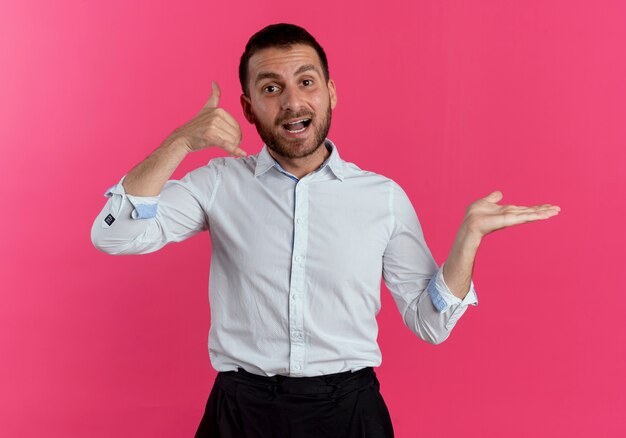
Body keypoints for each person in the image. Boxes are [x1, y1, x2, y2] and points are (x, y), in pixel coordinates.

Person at [91, 23, 560, 438]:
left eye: (306, 82)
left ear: (331, 92)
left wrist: (467, 241)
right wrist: (180, 142)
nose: (293, 101)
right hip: (241, 411)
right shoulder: (216, 184)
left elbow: (430, 323)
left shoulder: (382, 197)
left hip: (350, 413)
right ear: (248, 107)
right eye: (271, 89)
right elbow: (112, 234)